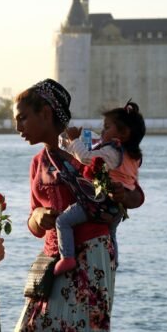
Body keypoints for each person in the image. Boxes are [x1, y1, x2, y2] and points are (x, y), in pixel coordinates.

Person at [9, 79, 144, 332]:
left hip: (90, 258)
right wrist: (37, 217)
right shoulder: (38, 162)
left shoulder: (88, 150)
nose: (18, 126)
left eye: (23, 118)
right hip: (52, 262)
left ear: (45, 113)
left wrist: (120, 193)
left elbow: (137, 196)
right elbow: (32, 222)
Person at [53, 101, 146, 274]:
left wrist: (73, 140)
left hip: (100, 202)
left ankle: (67, 257)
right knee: (111, 234)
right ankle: (113, 263)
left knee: (62, 221)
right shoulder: (132, 156)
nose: (103, 131)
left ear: (124, 134)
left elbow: (86, 157)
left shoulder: (112, 151)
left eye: (107, 127)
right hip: (118, 208)